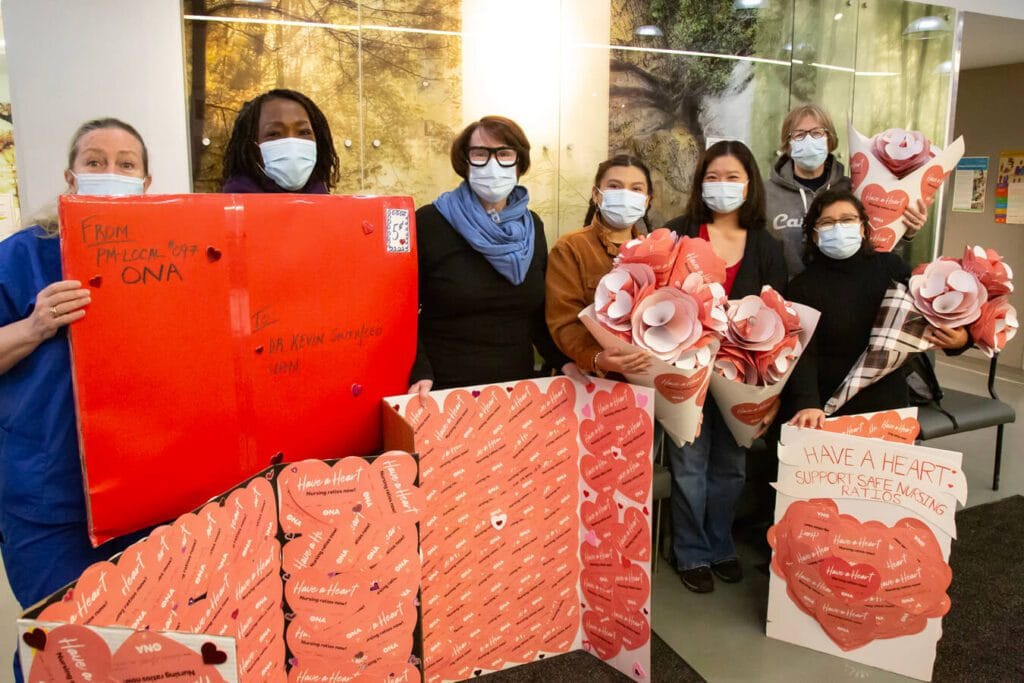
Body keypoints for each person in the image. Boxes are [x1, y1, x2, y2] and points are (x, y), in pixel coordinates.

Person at [0, 118, 154, 681]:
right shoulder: (22, 256)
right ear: (70, 176)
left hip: (147, 501)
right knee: (61, 651)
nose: (109, 174)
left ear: (146, 181)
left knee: (146, 649)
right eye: (95, 162)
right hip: (49, 504)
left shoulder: (172, 260)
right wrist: (36, 325)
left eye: (125, 164)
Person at [663, 140, 787, 593]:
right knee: (689, 465)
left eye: (732, 177)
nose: (722, 186)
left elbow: (781, 316)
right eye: (712, 177)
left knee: (732, 467)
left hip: (741, 381)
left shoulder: (766, 247)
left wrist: (769, 389)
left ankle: (721, 545)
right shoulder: (678, 233)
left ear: (750, 184)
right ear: (700, 183)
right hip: (688, 375)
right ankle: (691, 551)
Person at [407, 116, 576, 394]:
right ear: (465, 161)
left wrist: (565, 361)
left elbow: (537, 314)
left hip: (516, 389)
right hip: (443, 390)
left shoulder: (531, 226)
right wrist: (420, 369)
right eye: (480, 154)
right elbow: (402, 312)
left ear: (519, 163)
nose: (493, 164)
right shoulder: (430, 222)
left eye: (504, 154)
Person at [785, 188, 969, 427]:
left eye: (847, 220)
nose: (839, 228)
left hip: (888, 400)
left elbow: (932, 309)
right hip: (827, 404)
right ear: (814, 235)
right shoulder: (802, 286)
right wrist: (807, 402)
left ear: (862, 228)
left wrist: (962, 338)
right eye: (827, 223)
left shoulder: (890, 267)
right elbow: (802, 353)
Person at [765, 103, 927, 277]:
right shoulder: (766, 193)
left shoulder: (854, 189)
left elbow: (875, 242)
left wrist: (906, 231)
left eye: (817, 133)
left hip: (844, 293)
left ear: (829, 140)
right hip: (784, 295)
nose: (808, 140)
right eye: (799, 135)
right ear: (788, 143)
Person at [545, 154, 654, 377]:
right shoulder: (571, 248)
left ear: (647, 201)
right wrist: (596, 357)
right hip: (591, 379)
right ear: (597, 194)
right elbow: (563, 322)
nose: (625, 194)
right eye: (615, 186)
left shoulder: (656, 250)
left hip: (645, 378)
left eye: (636, 189)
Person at [222, 88, 340, 194]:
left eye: (303, 132)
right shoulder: (230, 211)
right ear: (251, 146)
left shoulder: (331, 211)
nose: (292, 144)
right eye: (274, 134)